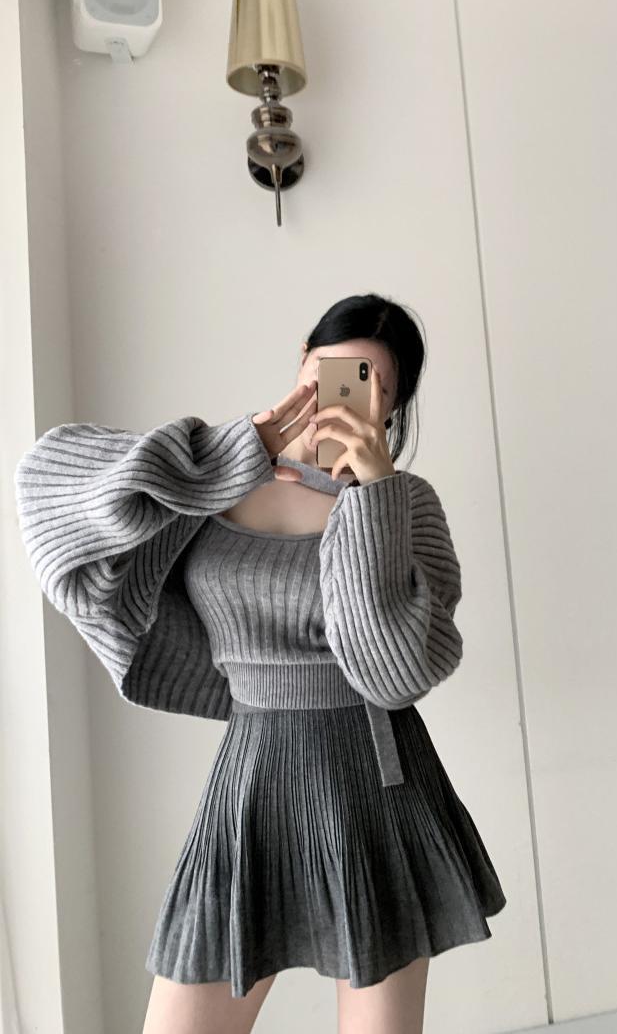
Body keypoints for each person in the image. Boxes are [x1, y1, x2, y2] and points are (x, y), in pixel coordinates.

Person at [16, 289, 504, 1030]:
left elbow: (395, 674)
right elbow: (47, 491)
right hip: (251, 779)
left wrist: (370, 497)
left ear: (393, 406)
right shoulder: (210, 478)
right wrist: (232, 451)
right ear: (301, 361)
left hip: (375, 783)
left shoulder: (406, 505)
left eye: (370, 383)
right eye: (329, 370)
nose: (341, 394)